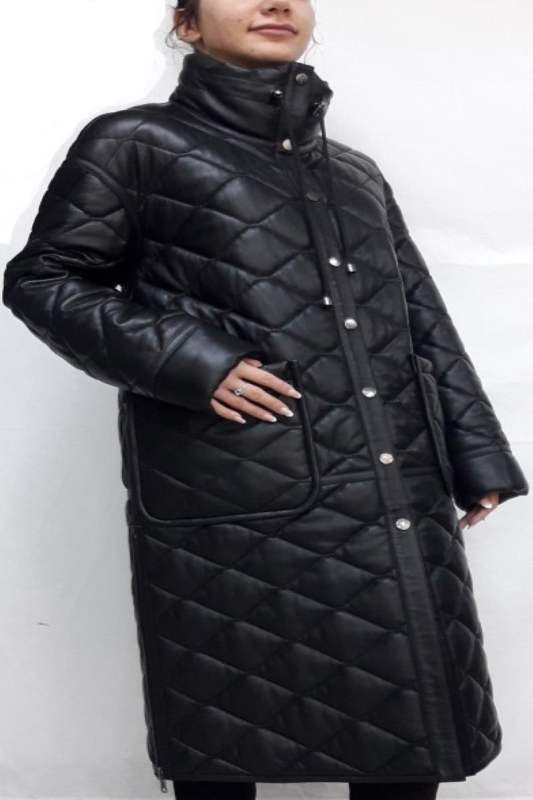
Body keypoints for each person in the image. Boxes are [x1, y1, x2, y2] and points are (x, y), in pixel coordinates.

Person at [3, 1, 529, 799]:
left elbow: (418, 316)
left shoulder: (353, 173)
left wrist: (474, 452)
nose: (275, 2)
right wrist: (194, 361)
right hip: (232, 493)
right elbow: (43, 280)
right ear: (186, 24)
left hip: (394, 493)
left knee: (409, 739)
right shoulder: (135, 142)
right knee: (225, 737)